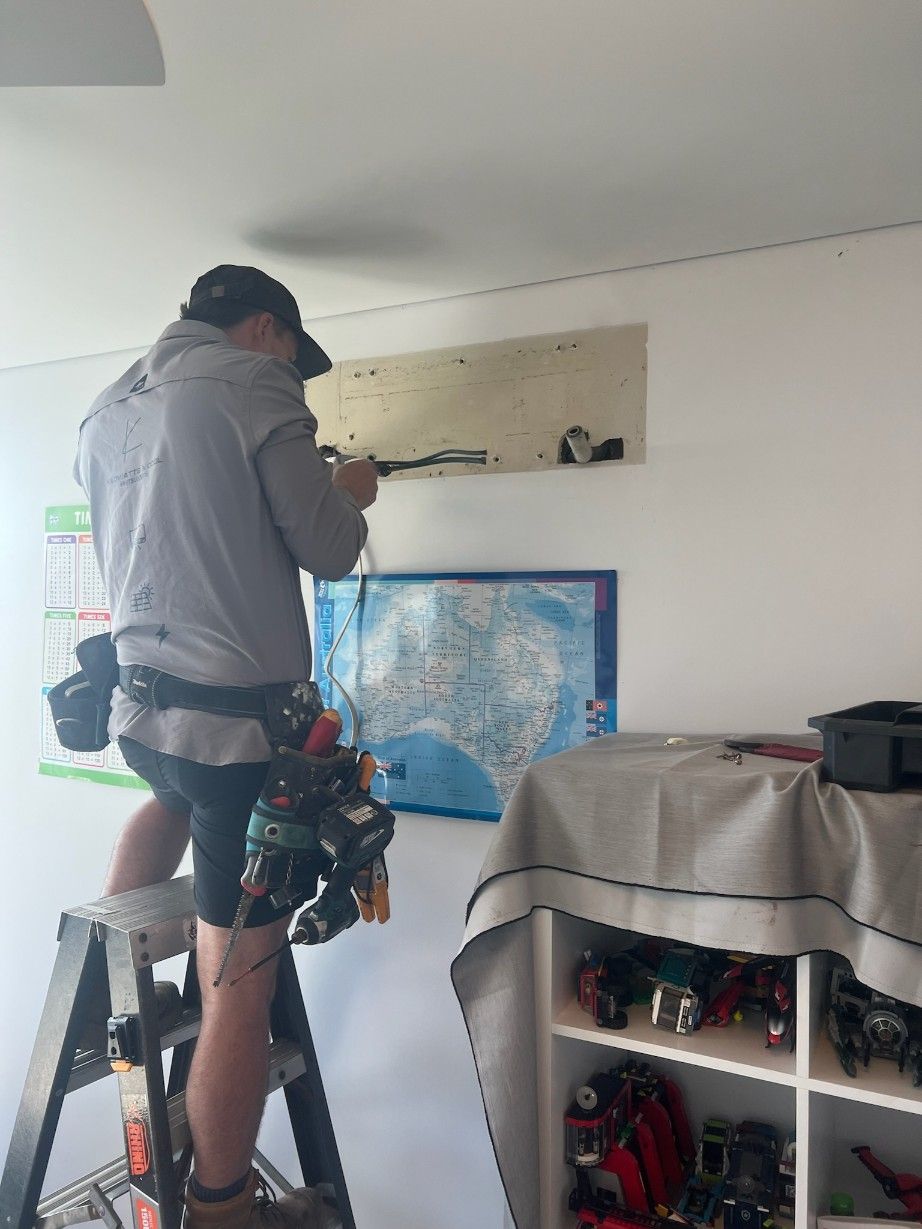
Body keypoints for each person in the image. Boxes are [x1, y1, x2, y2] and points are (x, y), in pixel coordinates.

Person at [74, 265, 378, 1229]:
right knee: (238, 991)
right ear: (262, 329)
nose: (296, 373)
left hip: (143, 722)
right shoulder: (254, 385)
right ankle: (219, 1207)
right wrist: (350, 488)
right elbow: (328, 545)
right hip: (239, 742)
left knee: (169, 803)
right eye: (295, 352)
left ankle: (112, 995)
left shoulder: (105, 405)